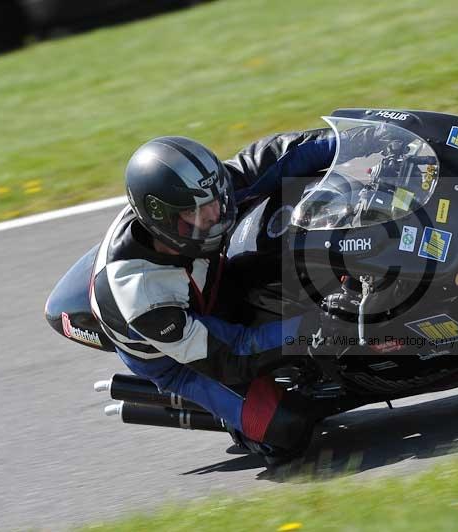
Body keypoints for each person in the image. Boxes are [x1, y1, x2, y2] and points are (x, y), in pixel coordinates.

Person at [89, 130, 350, 460]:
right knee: (288, 428)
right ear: (163, 220)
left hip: (208, 282)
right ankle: (230, 419)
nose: (216, 216)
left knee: (295, 253)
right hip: (179, 356)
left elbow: (270, 160)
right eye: (197, 214)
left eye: (216, 201)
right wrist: (316, 328)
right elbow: (232, 355)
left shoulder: (196, 196)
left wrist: (347, 141)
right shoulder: (143, 297)